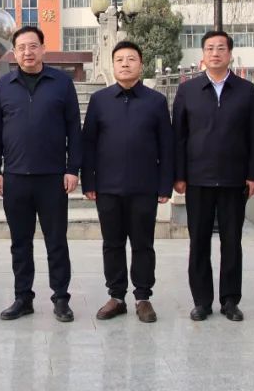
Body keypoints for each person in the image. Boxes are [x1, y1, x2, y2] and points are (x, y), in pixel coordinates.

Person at [0, 25, 82, 323]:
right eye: (21, 48)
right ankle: (23, 298)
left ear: (43, 48)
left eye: (33, 46)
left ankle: (61, 299)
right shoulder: (5, 84)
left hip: (53, 177)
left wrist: (72, 169)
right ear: (13, 53)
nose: (27, 52)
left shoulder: (62, 83)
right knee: (20, 242)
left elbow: (74, 128)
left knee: (56, 241)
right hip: (15, 177)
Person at [172, 30, 254, 322]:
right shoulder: (188, 90)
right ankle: (201, 301)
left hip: (234, 179)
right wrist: (179, 175)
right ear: (203, 55)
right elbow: (179, 136)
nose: (215, 53)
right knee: (198, 242)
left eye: (221, 48)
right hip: (198, 178)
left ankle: (230, 300)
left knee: (232, 242)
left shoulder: (246, 90)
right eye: (210, 48)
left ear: (230, 54)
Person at [81, 40, 174, 324]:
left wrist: (164, 185)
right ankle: (116, 296)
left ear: (140, 65)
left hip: (144, 187)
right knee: (112, 243)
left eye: (131, 59)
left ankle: (143, 297)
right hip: (108, 187)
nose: (125, 64)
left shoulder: (155, 101)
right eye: (119, 59)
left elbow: (166, 146)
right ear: (112, 65)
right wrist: (88, 182)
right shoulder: (99, 100)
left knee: (143, 244)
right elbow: (89, 143)